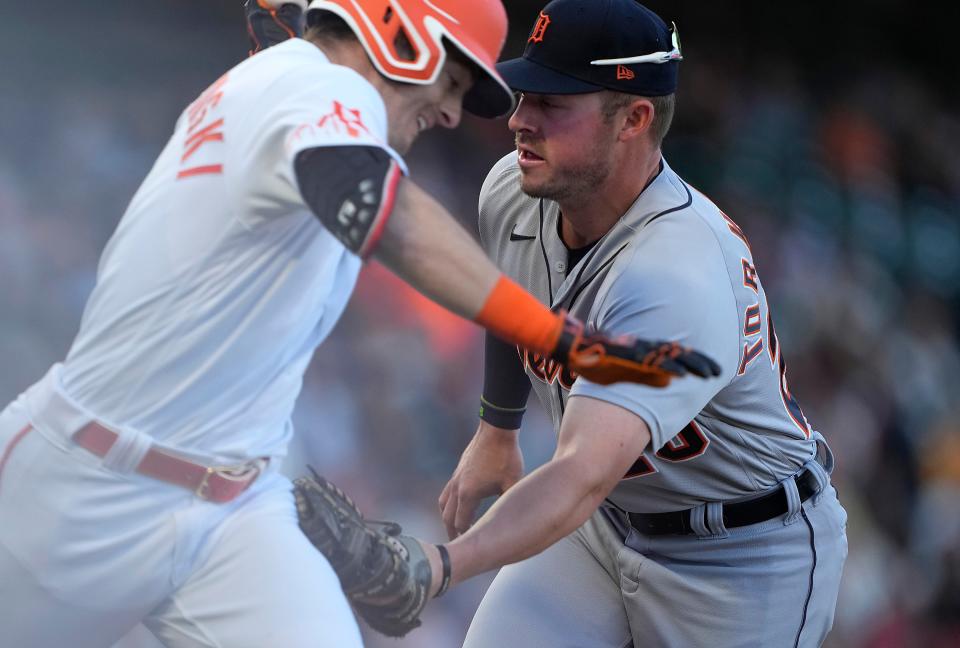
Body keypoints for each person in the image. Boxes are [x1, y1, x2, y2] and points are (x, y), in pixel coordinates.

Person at [0, 1, 719, 647]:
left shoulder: (297, 84)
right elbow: (392, 220)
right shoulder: (320, 86)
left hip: (235, 514)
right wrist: (562, 339)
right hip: (82, 488)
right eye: (454, 76)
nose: (450, 111)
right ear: (400, 35)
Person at [433, 1, 849, 646]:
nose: (520, 120)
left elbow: (577, 476)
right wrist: (497, 428)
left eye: (552, 103)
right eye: (524, 94)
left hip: (743, 558)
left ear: (634, 117)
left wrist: (439, 566)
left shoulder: (674, 271)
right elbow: (510, 297)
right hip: (607, 525)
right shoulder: (515, 189)